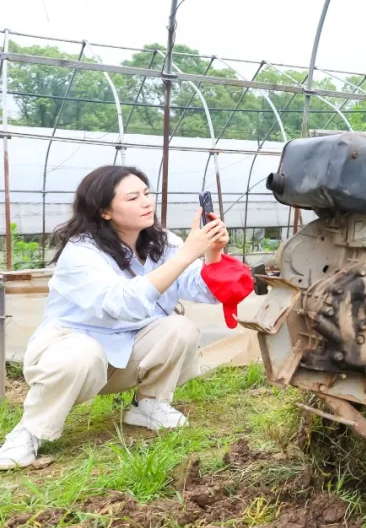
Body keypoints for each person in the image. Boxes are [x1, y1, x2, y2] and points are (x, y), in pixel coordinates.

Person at [0, 166, 230, 470]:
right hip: (69, 352)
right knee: (83, 352)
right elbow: (123, 304)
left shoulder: (162, 242)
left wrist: (212, 254)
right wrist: (187, 254)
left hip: (125, 352)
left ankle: (149, 404)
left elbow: (207, 293)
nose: (146, 202)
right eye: (133, 198)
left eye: (146, 194)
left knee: (179, 327)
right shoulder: (82, 251)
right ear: (105, 211)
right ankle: (29, 432)